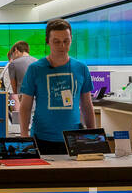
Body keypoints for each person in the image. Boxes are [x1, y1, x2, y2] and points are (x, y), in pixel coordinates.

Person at [18, 19, 95, 155]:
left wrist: (93, 134)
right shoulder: (35, 69)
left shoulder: (81, 68)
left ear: (71, 39)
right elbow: (25, 106)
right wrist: (24, 134)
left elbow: (87, 105)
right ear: (48, 41)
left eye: (66, 41)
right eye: (56, 41)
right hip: (42, 138)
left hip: (73, 138)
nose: (62, 46)